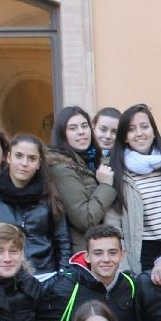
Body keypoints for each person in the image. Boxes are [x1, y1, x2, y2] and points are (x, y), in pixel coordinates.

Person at [0, 134, 72, 275]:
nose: (24, 163)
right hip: (5, 279)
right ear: (8, 158)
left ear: (39, 163)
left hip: (45, 275)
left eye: (31, 158)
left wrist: (64, 276)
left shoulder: (50, 195)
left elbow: (62, 241)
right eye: (18, 156)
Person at [106, 104, 161, 272]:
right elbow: (114, 225)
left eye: (144, 127)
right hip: (140, 251)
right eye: (132, 129)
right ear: (125, 137)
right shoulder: (117, 171)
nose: (139, 133)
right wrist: (123, 266)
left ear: (153, 132)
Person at [48, 105, 116, 252]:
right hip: (82, 252)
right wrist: (105, 186)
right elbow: (84, 219)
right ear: (62, 133)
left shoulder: (89, 161)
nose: (81, 132)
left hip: (98, 248)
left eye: (84, 126)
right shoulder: (62, 168)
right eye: (73, 128)